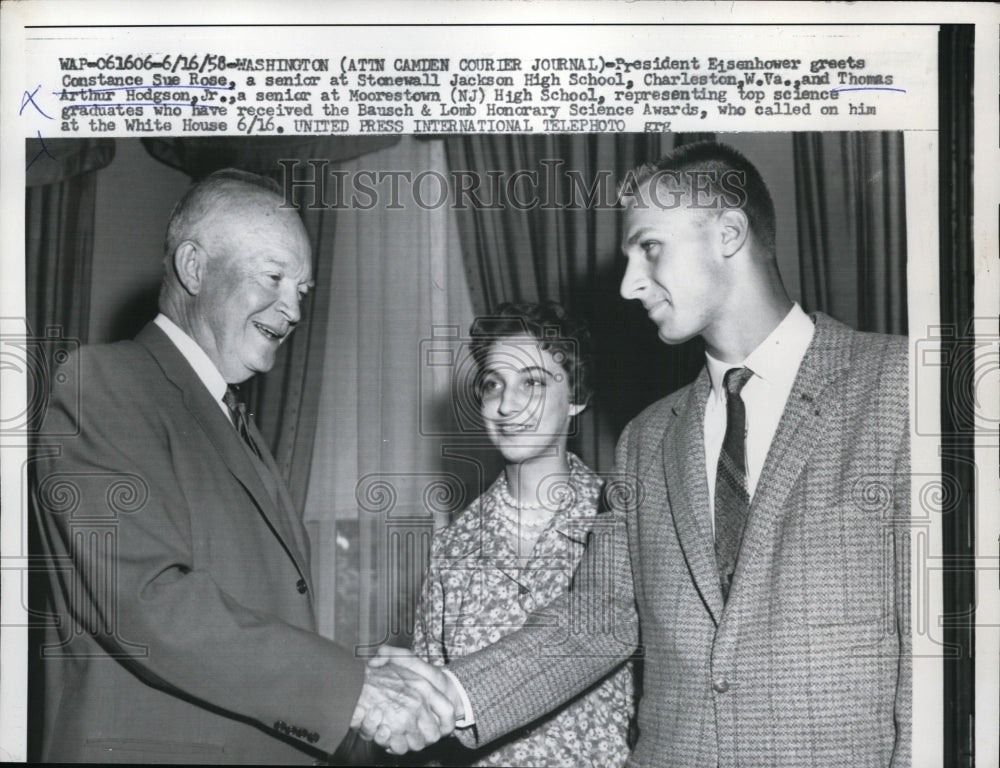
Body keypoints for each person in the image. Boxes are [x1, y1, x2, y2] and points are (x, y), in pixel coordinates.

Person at [361, 141, 912, 767]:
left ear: (728, 233)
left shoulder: (898, 388)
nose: (628, 284)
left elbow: (936, 648)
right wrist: (451, 693)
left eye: (649, 248)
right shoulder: (646, 440)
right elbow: (599, 617)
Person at [30, 169, 455, 764]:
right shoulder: (102, 384)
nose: (293, 310)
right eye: (274, 277)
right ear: (195, 268)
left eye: (302, 291)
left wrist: (358, 676)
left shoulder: (235, 421)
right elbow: (150, 603)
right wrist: (352, 690)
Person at [410, 302, 634, 767]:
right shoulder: (452, 548)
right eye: (494, 384)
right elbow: (426, 712)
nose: (507, 405)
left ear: (577, 398)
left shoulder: (624, 523)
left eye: (532, 383)